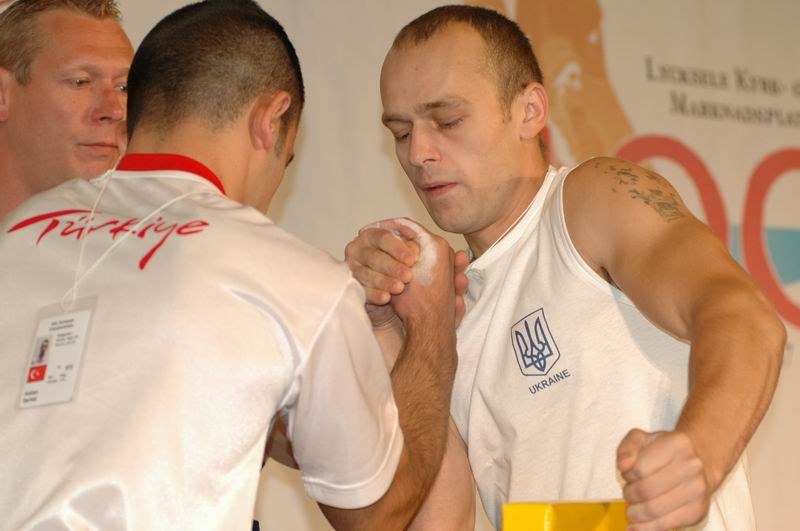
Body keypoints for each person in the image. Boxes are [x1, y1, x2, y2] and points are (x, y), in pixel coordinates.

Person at [0, 1, 461, 529]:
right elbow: (376, 513)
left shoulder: (17, 232)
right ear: (270, 120)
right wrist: (431, 324)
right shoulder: (293, 279)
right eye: (284, 162)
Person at [345, 5, 786, 530]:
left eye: (447, 120)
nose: (419, 152)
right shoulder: (447, 304)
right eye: (400, 132)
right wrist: (395, 334)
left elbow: (745, 318)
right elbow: (440, 519)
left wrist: (700, 455)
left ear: (529, 111)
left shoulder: (589, 202)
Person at [0, 0, 132, 219]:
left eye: (123, 87)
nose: (114, 111)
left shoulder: (160, 244)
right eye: (81, 82)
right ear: (3, 94)